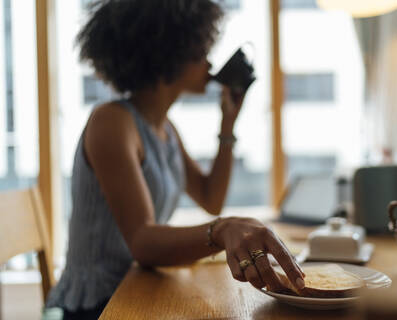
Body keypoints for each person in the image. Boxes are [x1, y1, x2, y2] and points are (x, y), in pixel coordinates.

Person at [46, 0, 305, 318]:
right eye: (200, 51)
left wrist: (227, 125)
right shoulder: (111, 122)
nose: (210, 63)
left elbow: (211, 199)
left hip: (140, 290)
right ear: (167, 52)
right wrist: (222, 230)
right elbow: (142, 242)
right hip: (97, 305)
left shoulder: (165, 129)